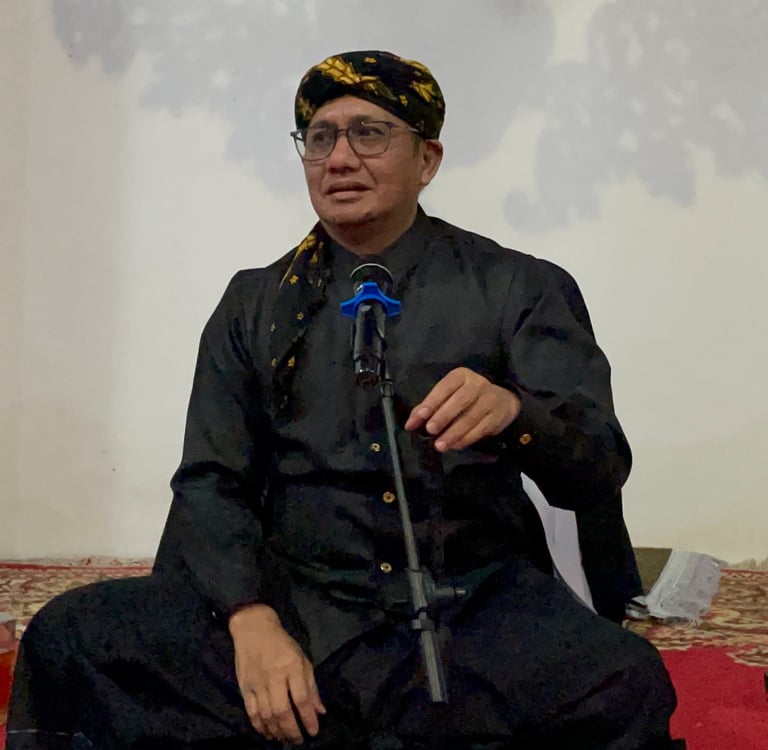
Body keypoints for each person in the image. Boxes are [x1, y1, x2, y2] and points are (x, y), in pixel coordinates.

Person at [7, 50, 680, 750]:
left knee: (626, 684)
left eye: (369, 133)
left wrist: (516, 416)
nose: (339, 159)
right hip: (301, 602)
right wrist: (251, 622)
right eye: (320, 137)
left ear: (428, 159)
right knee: (69, 637)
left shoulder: (516, 288)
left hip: (470, 604)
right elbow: (211, 482)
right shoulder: (255, 303)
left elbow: (598, 466)